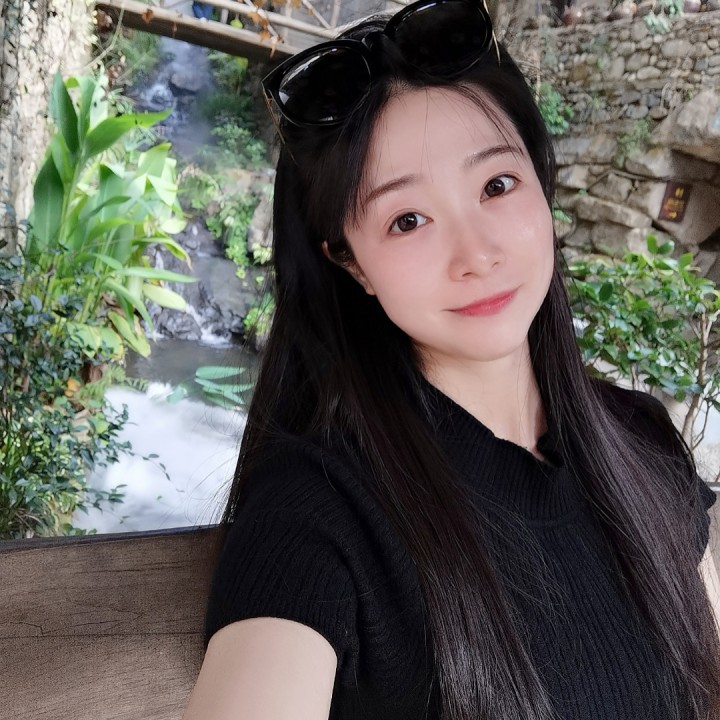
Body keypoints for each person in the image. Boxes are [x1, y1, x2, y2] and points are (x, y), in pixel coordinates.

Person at [182, 1, 720, 718]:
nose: (477, 255)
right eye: (407, 220)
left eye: (496, 185)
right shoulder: (318, 510)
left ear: (541, 183)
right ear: (350, 262)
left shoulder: (641, 440)